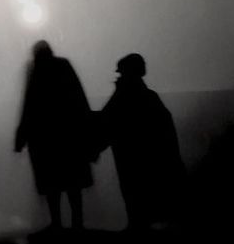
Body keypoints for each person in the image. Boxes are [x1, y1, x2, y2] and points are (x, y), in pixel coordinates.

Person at [96, 53, 184, 230]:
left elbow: (106, 122)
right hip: (148, 156)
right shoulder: (149, 97)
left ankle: (137, 225)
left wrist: (95, 146)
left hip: (128, 155)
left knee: (133, 189)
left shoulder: (123, 97)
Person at [14, 40, 94, 229]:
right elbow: (79, 98)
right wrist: (88, 131)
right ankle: (77, 222)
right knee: (72, 183)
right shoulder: (63, 66)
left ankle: (57, 222)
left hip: (43, 138)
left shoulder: (35, 70)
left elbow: (29, 105)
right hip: (68, 136)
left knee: (51, 184)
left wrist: (21, 135)